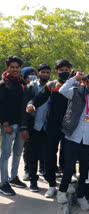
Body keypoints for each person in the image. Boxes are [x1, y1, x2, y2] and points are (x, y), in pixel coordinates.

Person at [56, 71, 89, 211]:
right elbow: (62, 90)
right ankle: (61, 191)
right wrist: (74, 78)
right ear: (86, 81)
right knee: (69, 167)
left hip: (88, 139)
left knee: (85, 171)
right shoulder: (76, 91)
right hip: (72, 136)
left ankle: (81, 196)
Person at [26, 59, 72, 198]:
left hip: (70, 127)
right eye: (61, 70)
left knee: (67, 157)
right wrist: (31, 104)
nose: (64, 72)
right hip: (52, 127)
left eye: (66, 70)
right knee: (49, 156)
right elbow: (37, 99)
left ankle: (66, 184)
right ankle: (51, 185)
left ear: (70, 71)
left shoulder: (76, 85)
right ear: (57, 71)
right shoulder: (51, 85)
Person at [20, 64, 51, 192]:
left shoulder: (52, 88)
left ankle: (50, 181)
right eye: (42, 72)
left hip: (47, 128)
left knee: (46, 155)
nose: (45, 74)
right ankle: (33, 181)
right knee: (32, 156)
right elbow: (24, 109)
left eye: (47, 72)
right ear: (38, 73)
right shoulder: (30, 88)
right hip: (33, 127)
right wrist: (24, 128)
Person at [0, 56, 27, 195]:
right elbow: (1, 106)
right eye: (12, 67)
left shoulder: (22, 83)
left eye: (17, 67)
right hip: (8, 125)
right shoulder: (3, 84)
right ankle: (3, 182)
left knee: (17, 153)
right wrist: (5, 124)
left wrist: (24, 126)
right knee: (5, 154)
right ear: (7, 68)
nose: (15, 69)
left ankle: (13, 177)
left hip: (21, 125)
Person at [20, 67, 37, 181]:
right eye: (29, 75)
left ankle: (41, 168)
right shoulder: (21, 87)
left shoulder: (37, 87)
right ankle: (27, 169)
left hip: (38, 122)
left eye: (34, 74)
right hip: (26, 122)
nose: (32, 76)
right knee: (27, 148)